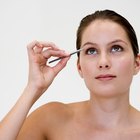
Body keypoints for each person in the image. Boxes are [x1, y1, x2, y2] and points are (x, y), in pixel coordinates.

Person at [0, 9, 140, 140]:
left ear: (136, 63)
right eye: (91, 50)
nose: (103, 62)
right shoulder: (50, 119)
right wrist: (33, 88)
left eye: (116, 48)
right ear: (79, 67)